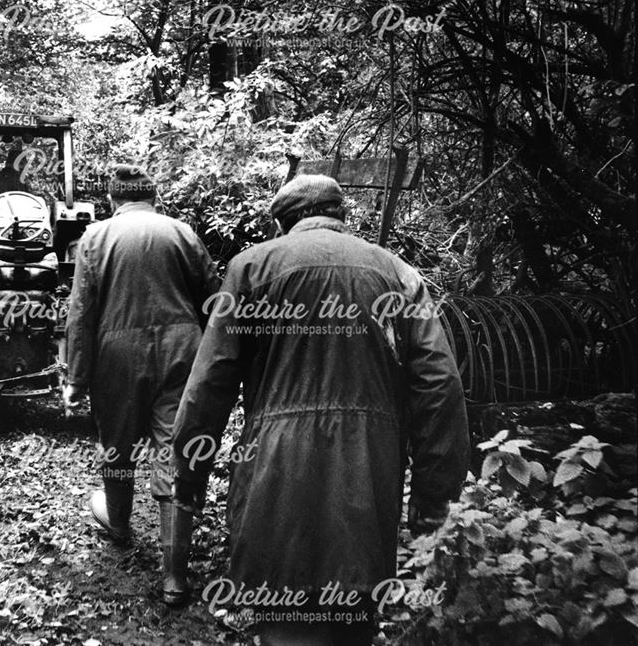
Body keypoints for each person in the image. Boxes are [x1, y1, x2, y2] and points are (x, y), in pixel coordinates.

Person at [171, 174, 470, 645]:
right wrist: (432, 504)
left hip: (274, 477)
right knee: (353, 617)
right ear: (342, 216)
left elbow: (209, 385)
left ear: (281, 223)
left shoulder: (251, 269)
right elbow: (439, 386)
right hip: (367, 477)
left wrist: (188, 477)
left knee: (285, 619)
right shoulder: (397, 273)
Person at [63, 164, 220, 606]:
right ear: (155, 197)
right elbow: (214, 299)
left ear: (113, 200)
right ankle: (174, 579)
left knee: (116, 445)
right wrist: (220, 365)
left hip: (116, 358)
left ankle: (118, 526)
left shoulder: (95, 237)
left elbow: (81, 313)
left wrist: (76, 377)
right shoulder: (182, 232)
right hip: (181, 353)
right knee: (174, 451)